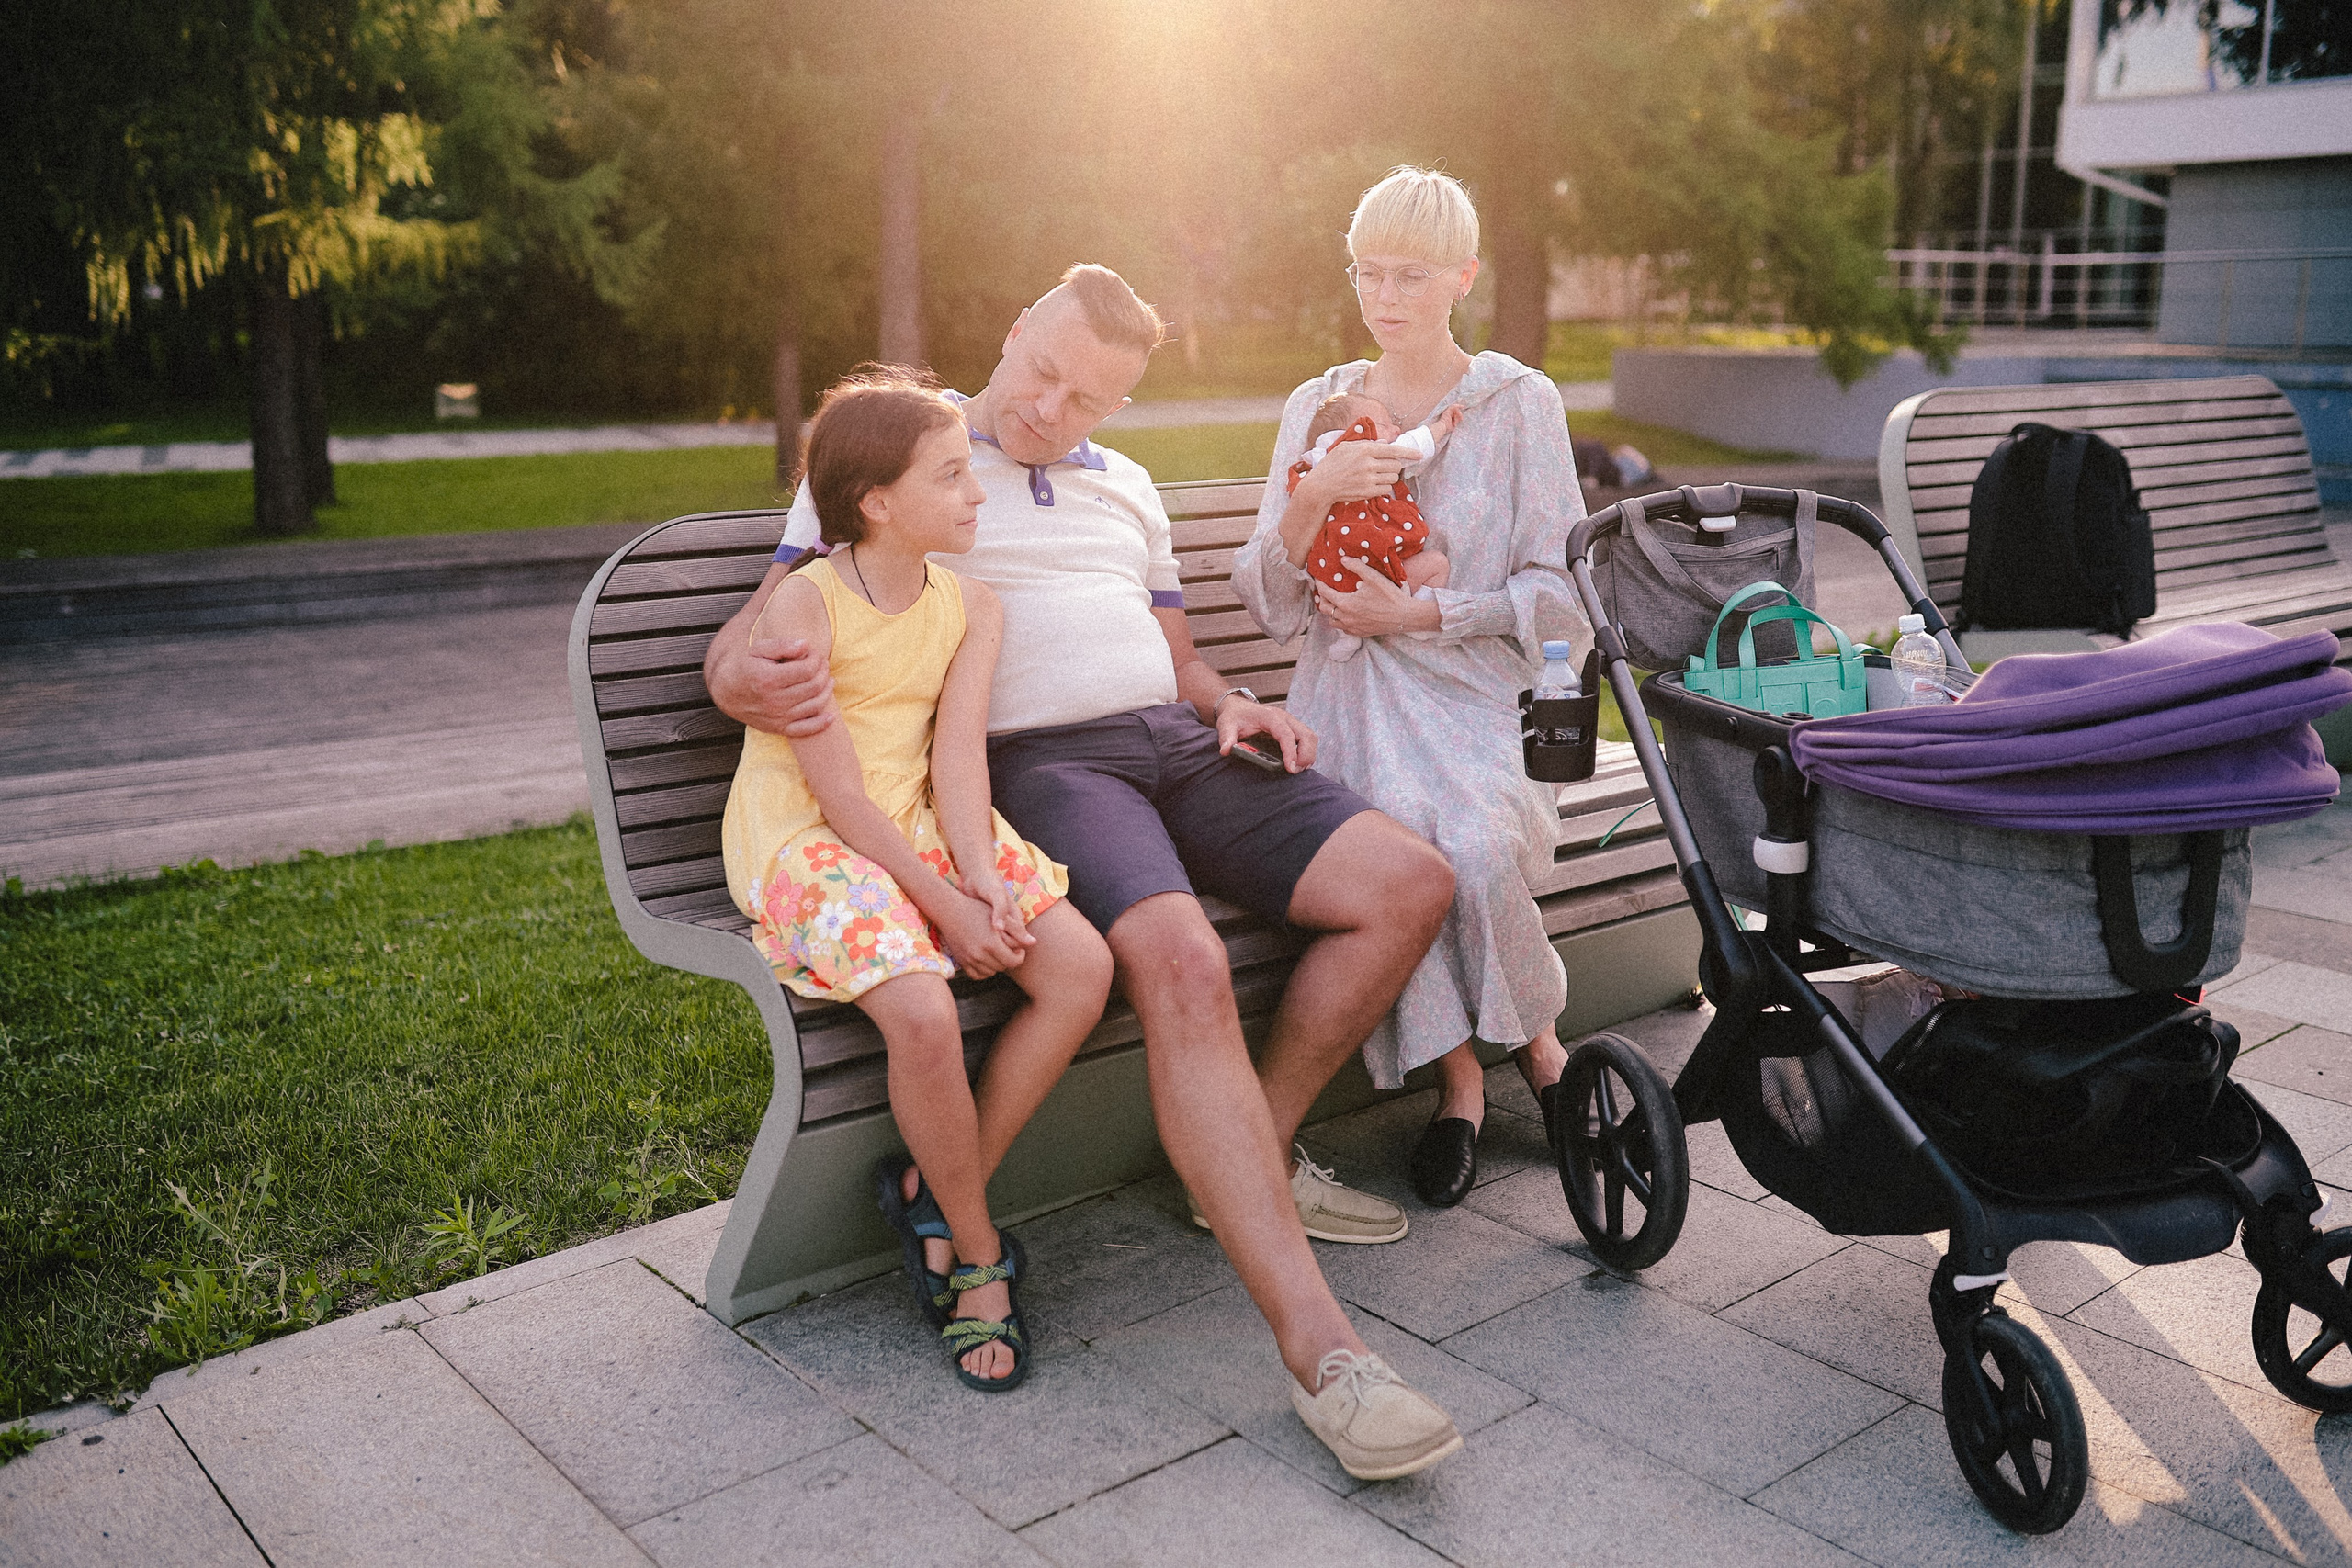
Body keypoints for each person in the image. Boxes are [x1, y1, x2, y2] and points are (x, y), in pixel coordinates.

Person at [706, 264, 1466, 1479]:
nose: (1053, 409)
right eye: (1043, 372)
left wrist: (1230, 702)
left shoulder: (1130, 484)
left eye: (1088, 398)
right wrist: (737, 676)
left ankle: (1241, 1160)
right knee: (1180, 956)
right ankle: (1327, 1353)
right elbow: (759, 635)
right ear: (1013, 332)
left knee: (1410, 882)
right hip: (1048, 766)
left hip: (1175, 739)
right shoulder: (919, 457)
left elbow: (1170, 646)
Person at [720, 370, 1114, 1391]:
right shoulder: (804, 604)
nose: (978, 493)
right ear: (876, 503)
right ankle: (978, 1250)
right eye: (952, 476)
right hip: (810, 835)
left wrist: (980, 879)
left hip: (920, 819)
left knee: (1076, 966)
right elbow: (839, 794)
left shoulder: (970, 605)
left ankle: (934, 1189)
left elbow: (959, 762)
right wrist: (942, 908)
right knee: (926, 1012)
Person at [1233, 166, 1580, 1212]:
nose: (1384, 296)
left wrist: (1423, 614)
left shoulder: (1519, 404)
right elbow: (1265, 600)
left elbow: (1559, 591)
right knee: (1397, 853)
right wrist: (1311, 508)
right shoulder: (1319, 405)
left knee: (1469, 844)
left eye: (1411, 275)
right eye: (1367, 273)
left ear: (1461, 277)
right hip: (1342, 698)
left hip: (1474, 693)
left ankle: (1541, 1060)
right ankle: (1463, 1087)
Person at [1288, 392, 1460, 661]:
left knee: (1346, 587)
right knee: (1437, 563)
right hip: (1381, 573)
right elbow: (1413, 447)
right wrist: (1442, 426)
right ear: (1354, 430)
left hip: (1332, 578)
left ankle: (1348, 636)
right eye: (1383, 423)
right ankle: (1415, 613)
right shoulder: (1361, 453)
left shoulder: (1312, 464)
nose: (1396, 429)